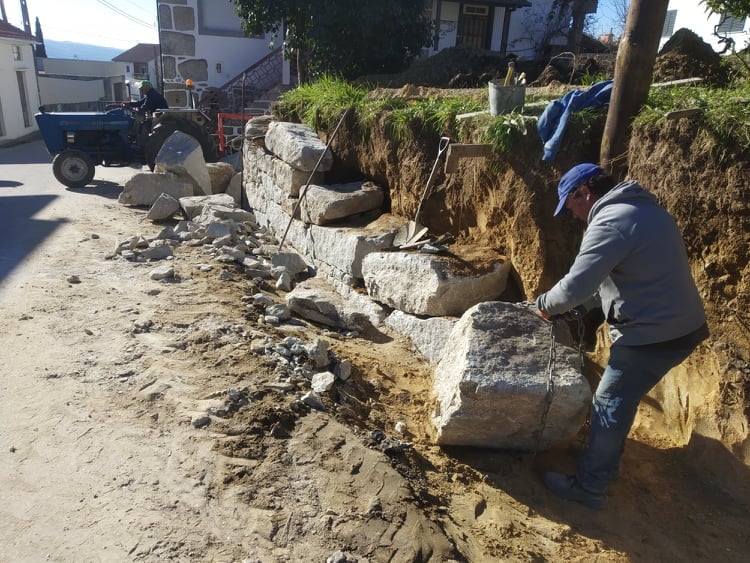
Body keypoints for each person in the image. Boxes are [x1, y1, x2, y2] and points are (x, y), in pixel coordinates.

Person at [535, 163, 708, 510]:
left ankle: (591, 486)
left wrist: (544, 306)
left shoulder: (610, 222)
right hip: (681, 326)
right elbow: (613, 281)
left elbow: (575, 284)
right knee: (621, 398)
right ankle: (604, 458)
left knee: (609, 403)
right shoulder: (646, 211)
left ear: (583, 193)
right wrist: (579, 311)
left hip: (653, 335)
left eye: (570, 205)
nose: (571, 214)